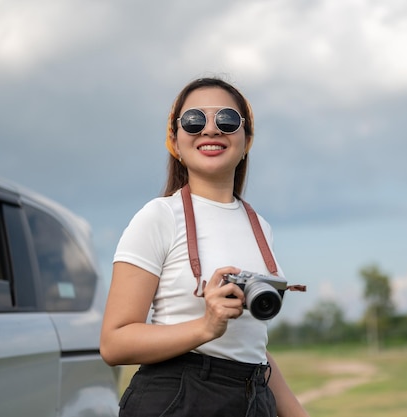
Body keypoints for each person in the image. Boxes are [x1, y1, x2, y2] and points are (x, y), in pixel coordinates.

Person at [100, 77, 310, 417]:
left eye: (226, 119)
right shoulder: (159, 217)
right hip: (180, 397)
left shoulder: (260, 227)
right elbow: (114, 342)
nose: (210, 129)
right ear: (175, 141)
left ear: (247, 140)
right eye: (194, 120)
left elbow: (250, 346)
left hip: (253, 397)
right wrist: (205, 327)